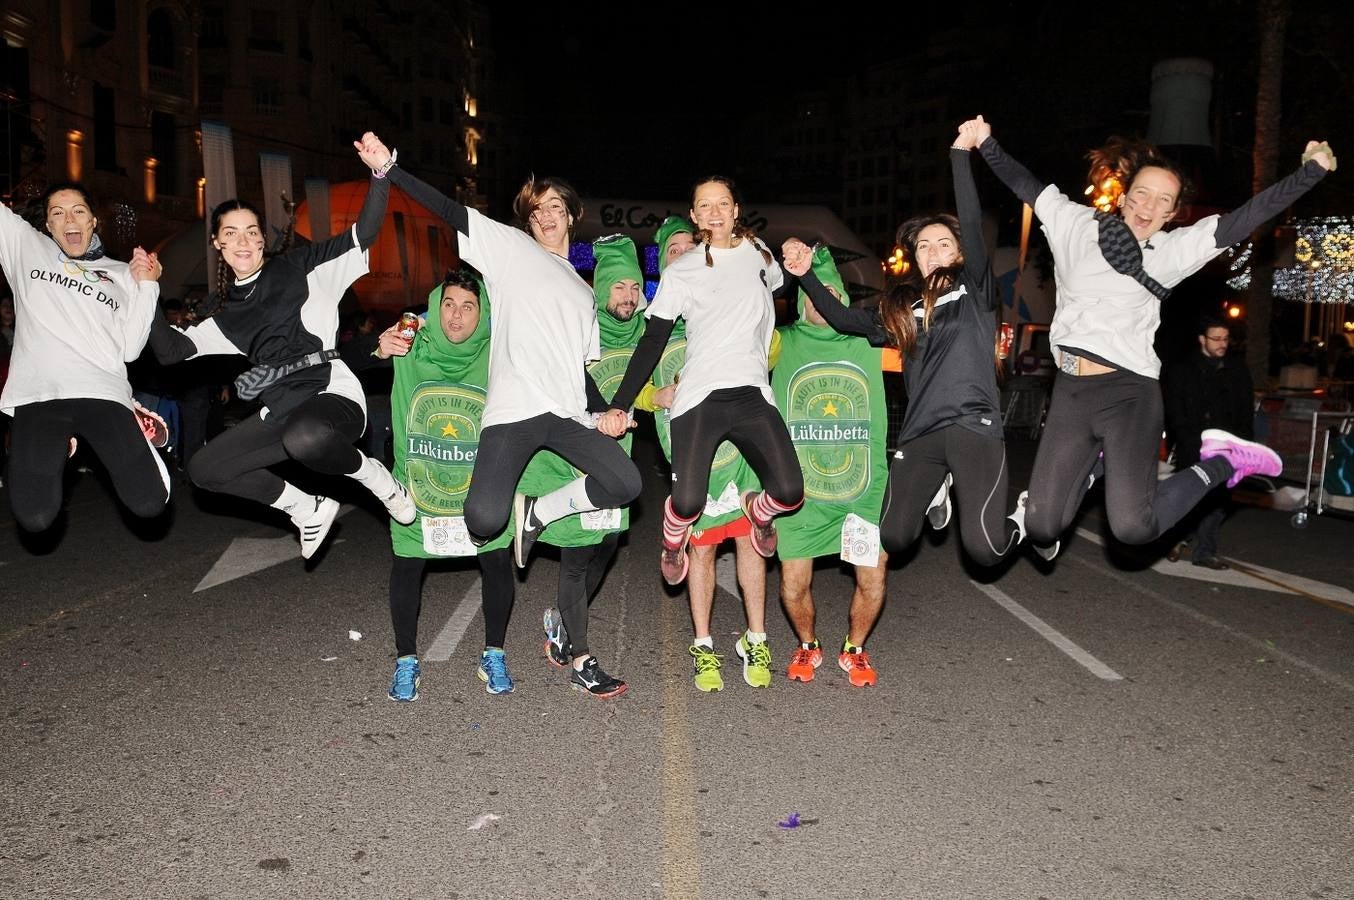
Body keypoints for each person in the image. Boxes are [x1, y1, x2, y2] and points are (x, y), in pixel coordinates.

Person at [972, 116, 1334, 557]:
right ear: (1123, 197)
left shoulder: (1173, 251)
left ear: (1171, 213)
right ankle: (1098, 469)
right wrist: (985, 141)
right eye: (1142, 193)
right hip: (1069, 391)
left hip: (1129, 392)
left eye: (1164, 200)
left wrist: (1310, 171)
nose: (1149, 205)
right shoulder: (1074, 223)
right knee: (1043, 526)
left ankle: (1223, 462)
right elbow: (1023, 182)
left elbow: (1247, 217)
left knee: (1132, 528)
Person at [361, 134, 642, 694]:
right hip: (512, 413)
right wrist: (391, 168)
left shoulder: (584, 292)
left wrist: (607, 414)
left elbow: (582, 373)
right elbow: (448, 210)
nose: (546, 216)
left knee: (624, 481)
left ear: (572, 218)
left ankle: (540, 522)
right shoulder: (511, 251)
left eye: (556, 207)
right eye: (536, 209)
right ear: (527, 220)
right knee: (485, 521)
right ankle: (520, 516)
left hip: (564, 418)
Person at [148, 135, 413, 559]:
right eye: (230, 233)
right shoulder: (225, 315)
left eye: (251, 232)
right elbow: (169, 351)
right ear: (217, 243)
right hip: (281, 409)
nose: (243, 241)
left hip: (331, 393)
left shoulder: (299, 267)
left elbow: (364, 233)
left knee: (304, 437)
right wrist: (147, 291)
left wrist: (380, 174)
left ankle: (376, 479)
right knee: (204, 468)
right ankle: (305, 508)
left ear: (261, 240)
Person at [783, 120, 1024, 573]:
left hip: (974, 426)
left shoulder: (976, 292)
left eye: (943, 244)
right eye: (924, 246)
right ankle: (935, 487)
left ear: (959, 253)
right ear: (914, 257)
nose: (932, 252)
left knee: (985, 550)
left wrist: (959, 154)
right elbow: (842, 318)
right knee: (894, 536)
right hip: (921, 431)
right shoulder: (900, 306)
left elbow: (971, 222)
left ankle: (1024, 519)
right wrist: (806, 275)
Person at [602, 176, 804, 680]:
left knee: (789, 489)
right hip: (699, 395)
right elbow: (652, 342)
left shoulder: (760, 256)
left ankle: (757, 514)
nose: (713, 213)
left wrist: (807, 253)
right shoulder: (683, 272)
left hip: (752, 392)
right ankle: (673, 540)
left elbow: (793, 281)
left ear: (737, 209)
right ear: (695, 216)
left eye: (722, 204)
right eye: (703, 206)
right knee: (689, 504)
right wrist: (623, 405)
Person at [377, 269, 520, 700]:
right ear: (436, 309)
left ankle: (493, 653)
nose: (457, 317)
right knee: (407, 566)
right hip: (420, 486)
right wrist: (379, 347)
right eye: (448, 305)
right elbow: (351, 357)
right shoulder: (408, 344)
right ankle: (406, 660)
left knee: (496, 562)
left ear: (484, 314)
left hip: (479, 486)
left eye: (469, 307)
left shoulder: (499, 352)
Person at [0, 181, 170, 533]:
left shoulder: (123, 273)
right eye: (57, 214)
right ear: (47, 226)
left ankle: (132, 418)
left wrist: (148, 285)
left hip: (102, 390)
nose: (69, 219)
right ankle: (63, 443)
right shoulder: (24, 245)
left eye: (78, 211)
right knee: (35, 518)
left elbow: (132, 348)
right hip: (39, 393)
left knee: (148, 503)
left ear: (93, 220)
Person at [647, 216, 772, 692]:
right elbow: (628, 382)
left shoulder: (724, 306)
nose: (682, 254)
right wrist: (649, 398)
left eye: (688, 245)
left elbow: (769, 347)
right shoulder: (657, 323)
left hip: (738, 451)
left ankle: (756, 638)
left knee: (747, 541)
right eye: (672, 249)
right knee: (700, 547)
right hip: (693, 453)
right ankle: (703, 647)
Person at [531, 234, 651, 699]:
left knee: (607, 546)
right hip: (570, 457)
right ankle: (581, 657)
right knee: (579, 557)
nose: (627, 296)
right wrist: (604, 411)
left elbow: (652, 379)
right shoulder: (581, 323)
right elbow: (567, 374)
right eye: (618, 287)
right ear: (600, 290)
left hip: (617, 463)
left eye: (633, 288)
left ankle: (562, 622)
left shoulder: (646, 332)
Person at [772, 245, 890, 687]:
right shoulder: (780, 344)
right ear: (801, 300)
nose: (821, 303)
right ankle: (808, 643)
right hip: (802, 497)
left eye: (830, 294)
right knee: (792, 584)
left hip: (859, 493)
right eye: (812, 294)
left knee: (873, 577)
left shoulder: (869, 342)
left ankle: (854, 648)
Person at [1163, 316, 1255, 569]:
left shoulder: (1237, 369)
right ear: (1202, 339)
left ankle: (1204, 552)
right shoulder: (1183, 369)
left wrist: (1245, 444)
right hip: (1194, 444)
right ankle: (1179, 536)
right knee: (1191, 496)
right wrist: (1184, 436)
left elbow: (1246, 409)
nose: (1222, 344)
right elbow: (1174, 407)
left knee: (1219, 498)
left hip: (1228, 446)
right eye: (1216, 339)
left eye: (1225, 339)